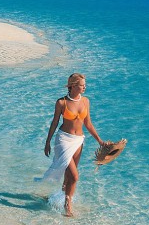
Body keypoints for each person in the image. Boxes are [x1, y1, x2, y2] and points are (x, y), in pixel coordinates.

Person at [42, 73, 104, 217]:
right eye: (82, 85)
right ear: (74, 86)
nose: (85, 87)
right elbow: (55, 122)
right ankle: (67, 206)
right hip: (63, 140)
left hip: (78, 141)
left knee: (69, 176)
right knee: (75, 176)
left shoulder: (86, 101)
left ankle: (58, 197)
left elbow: (88, 123)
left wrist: (100, 141)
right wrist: (48, 142)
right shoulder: (61, 102)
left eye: (84, 85)